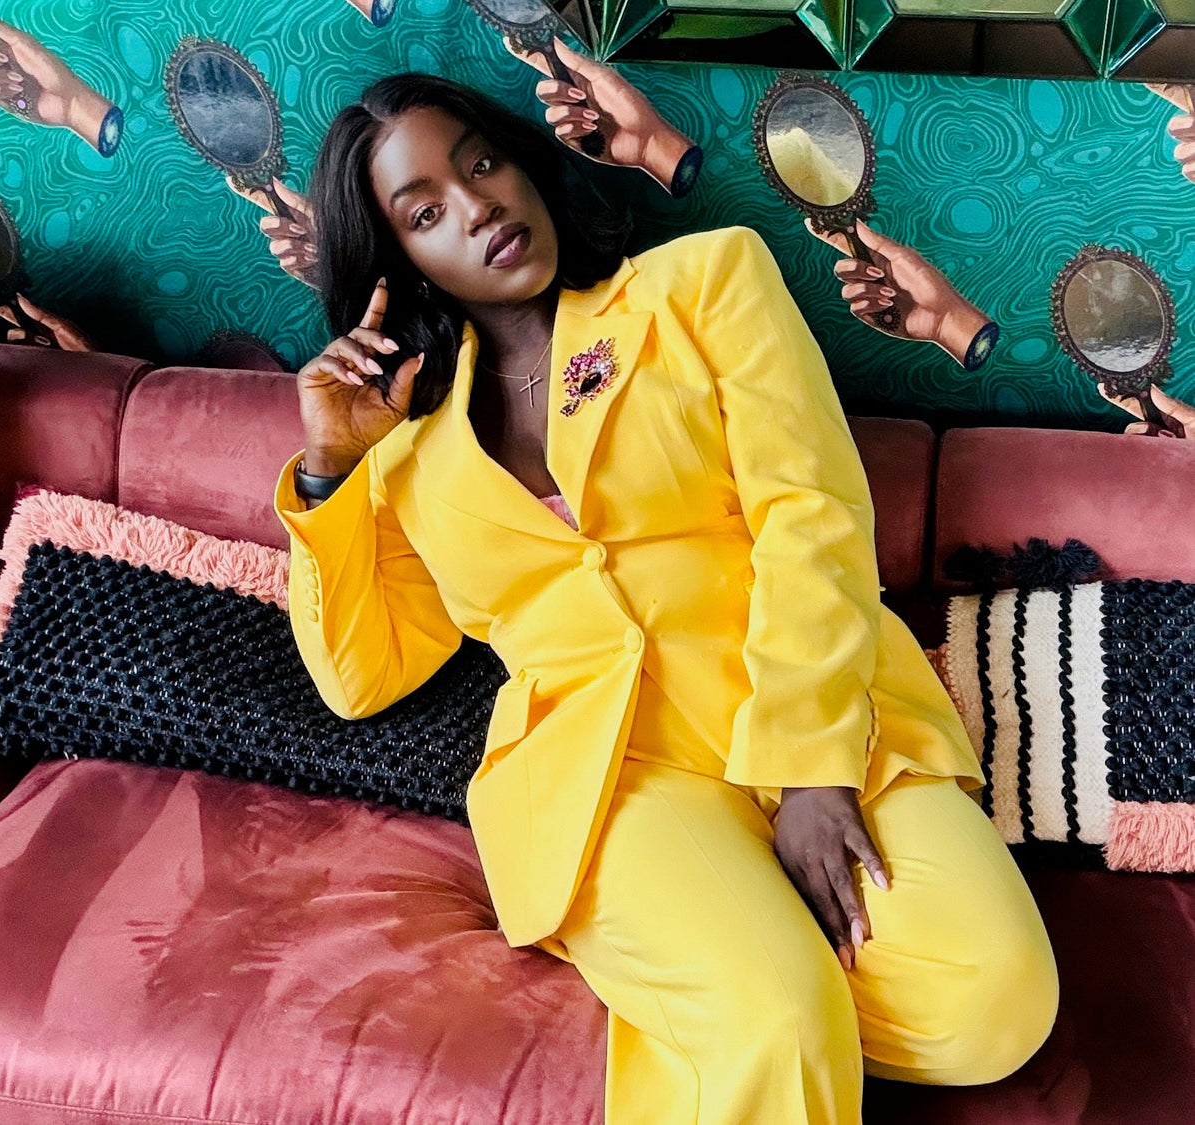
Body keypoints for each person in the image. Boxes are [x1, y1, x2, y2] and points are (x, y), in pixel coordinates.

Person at [270, 72, 1058, 1125]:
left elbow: (812, 515)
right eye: (425, 212)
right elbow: (362, 678)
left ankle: (722, 997)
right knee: (777, 1015)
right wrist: (328, 472)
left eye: (481, 165)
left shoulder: (703, 282)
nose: (478, 208)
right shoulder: (404, 446)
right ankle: (744, 995)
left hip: (818, 712)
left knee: (995, 1000)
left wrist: (812, 773)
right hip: (610, 779)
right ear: (398, 259)